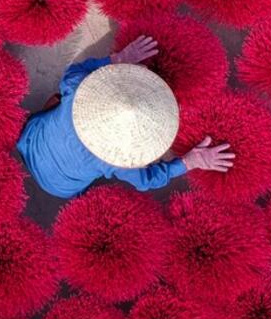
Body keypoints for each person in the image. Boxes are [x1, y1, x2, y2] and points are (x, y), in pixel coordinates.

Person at [16, 35, 234, 198]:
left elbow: (72, 71)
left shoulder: (76, 91)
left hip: (25, 140)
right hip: (60, 188)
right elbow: (148, 181)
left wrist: (117, 59)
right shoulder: (120, 161)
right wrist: (191, 161)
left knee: (57, 99)